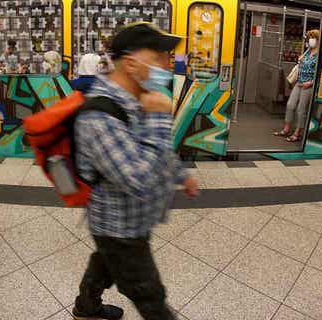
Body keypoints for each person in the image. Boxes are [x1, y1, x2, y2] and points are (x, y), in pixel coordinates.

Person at [72, 22, 199, 320]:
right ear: (130, 63)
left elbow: (151, 152)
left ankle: (86, 308)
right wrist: (158, 118)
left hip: (128, 219)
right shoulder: (99, 116)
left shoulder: (134, 98)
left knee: (103, 262)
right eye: (159, 57)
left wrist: (182, 175)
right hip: (120, 225)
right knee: (150, 295)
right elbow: (138, 178)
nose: (169, 64)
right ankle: (88, 307)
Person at [274, 29, 320, 142]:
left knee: (301, 109)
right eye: (309, 38)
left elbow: (320, 72)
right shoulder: (308, 51)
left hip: (308, 85)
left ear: (317, 40)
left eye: (312, 38)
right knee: (290, 105)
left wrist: (311, 82)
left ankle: (297, 133)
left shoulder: (320, 54)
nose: (310, 40)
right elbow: (300, 61)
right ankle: (286, 129)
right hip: (299, 82)